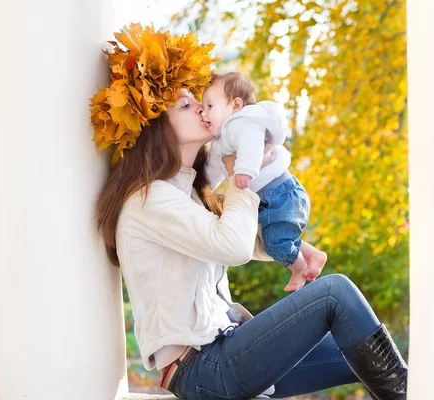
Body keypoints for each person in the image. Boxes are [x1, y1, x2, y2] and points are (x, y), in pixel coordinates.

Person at [93, 24, 408, 400]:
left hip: (224, 355)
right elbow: (233, 246)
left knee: (362, 349)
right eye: (186, 104)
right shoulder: (149, 199)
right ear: (155, 127)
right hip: (202, 370)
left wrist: (289, 245)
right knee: (334, 295)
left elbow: (224, 237)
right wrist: (239, 175)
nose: (201, 106)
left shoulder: (186, 194)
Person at [202, 72, 326, 291]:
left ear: (235, 105)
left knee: (275, 243)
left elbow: (252, 145)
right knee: (273, 238)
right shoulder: (222, 140)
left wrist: (244, 171)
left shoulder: (242, 122)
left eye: (210, 106)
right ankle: (312, 255)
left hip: (281, 193)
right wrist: (203, 190)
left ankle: (299, 269)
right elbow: (212, 170)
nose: (204, 112)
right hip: (270, 197)